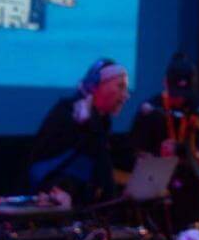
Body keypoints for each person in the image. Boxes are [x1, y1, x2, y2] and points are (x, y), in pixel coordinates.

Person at [127, 51, 199, 228]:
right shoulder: (150, 110)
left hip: (193, 187)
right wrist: (155, 155)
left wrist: (181, 150)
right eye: (175, 92)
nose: (179, 98)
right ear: (165, 82)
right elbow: (136, 149)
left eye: (184, 93)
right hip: (160, 188)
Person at [29, 57, 131, 200]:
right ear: (95, 85)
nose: (126, 95)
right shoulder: (69, 112)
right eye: (120, 86)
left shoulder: (102, 120)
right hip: (52, 193)